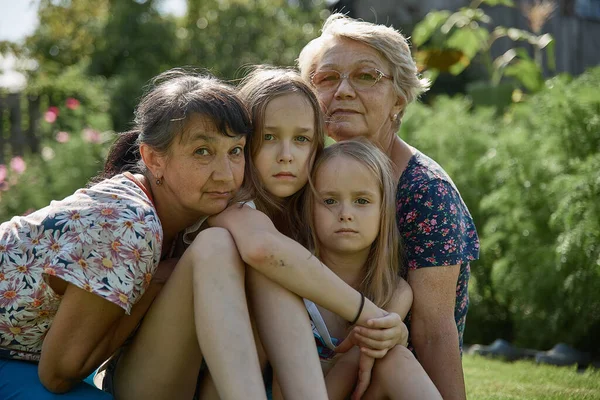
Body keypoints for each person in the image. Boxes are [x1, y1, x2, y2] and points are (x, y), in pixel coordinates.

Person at [0, 68, 268, 399]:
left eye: (235, 150)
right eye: (202, 151)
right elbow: (58, 373)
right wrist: (157, 280)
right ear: (154, 159)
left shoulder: (187, 216)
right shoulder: (132, 223)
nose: (226, 174)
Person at [192, 66, 409, 399]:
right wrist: (370, 314)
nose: (286, 156)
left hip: (274, 379)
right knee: (274, 270)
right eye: (269, 137)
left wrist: (387, 323)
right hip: (189, 379)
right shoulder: (231, 203)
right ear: (245, 141)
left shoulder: (313, 212)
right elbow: (264, 250)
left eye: (301, 139)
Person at [298, 13, 480, 400]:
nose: (343, 90)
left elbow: (434, 330)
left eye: (366, 76)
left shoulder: (424, 191)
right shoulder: (303, 171)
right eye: (327, 78)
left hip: (390, 379)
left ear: (399, 97)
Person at [302, 139, 442, 400]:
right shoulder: (293, 280)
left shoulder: (394, 291)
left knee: (395, 356)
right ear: (309, 207)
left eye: (362, 201)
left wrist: (360, 352)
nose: (345, 213)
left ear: (383, 211)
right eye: (330, 200)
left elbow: (356, 365)